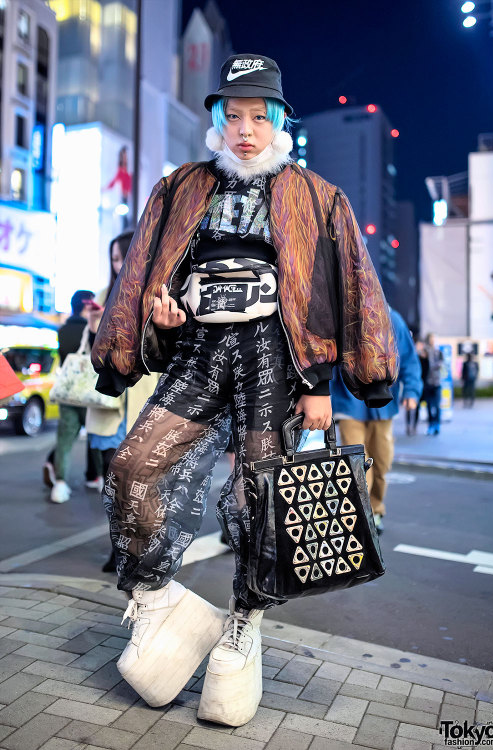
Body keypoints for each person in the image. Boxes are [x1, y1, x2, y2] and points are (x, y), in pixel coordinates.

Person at [91, 53, 398, 726]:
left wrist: (324, 383)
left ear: (282, 120)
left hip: (273, 359)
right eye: (233, 115)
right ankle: (156, 600)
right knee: (135, 463)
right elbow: (145, 276)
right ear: (217, 121)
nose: (245, 129)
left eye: (259, 116)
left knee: (260, 498)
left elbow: (345, 288)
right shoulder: (178, 188)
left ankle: (243, 625)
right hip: (199, 350)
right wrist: (160, 317)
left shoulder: (319, 196)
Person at [86, 230, 161, 572]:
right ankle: (118, 547)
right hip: (107, 409)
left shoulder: (156, 292)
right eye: (115, 258)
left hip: (142, 403)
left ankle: (139, 547)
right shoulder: (103, 296)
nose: (120, 264)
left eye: (124, 255)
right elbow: (93, 353)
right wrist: (92, 327)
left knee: (141, 483)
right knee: (112, 484)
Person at [330, 308, 422, 534]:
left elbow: (408, 358)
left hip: (384, 404)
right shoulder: (342, 314)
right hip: (349, 403)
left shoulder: (392, 317)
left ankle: (376, 509)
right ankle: (364, 514)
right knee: (357, 461)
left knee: (382, 462)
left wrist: (411, 391)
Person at [49, 289, 98, 503]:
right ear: (87, 306)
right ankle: (97, 477)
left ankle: (60, 485)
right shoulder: (91, 329)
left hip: (68, 392)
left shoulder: (62, 330)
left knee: (65, 440)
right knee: (96, 436)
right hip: (88, 393)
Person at [423, 333, 443, 435]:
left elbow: (440, 364)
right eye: (431, 339)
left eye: (434, 339)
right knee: (429, 406)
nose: (433, 340)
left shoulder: (438, 352)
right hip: (428, 383)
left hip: (437, 382)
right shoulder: (425, 351)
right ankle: (430, 424)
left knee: (437, 406)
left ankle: (437, 424)